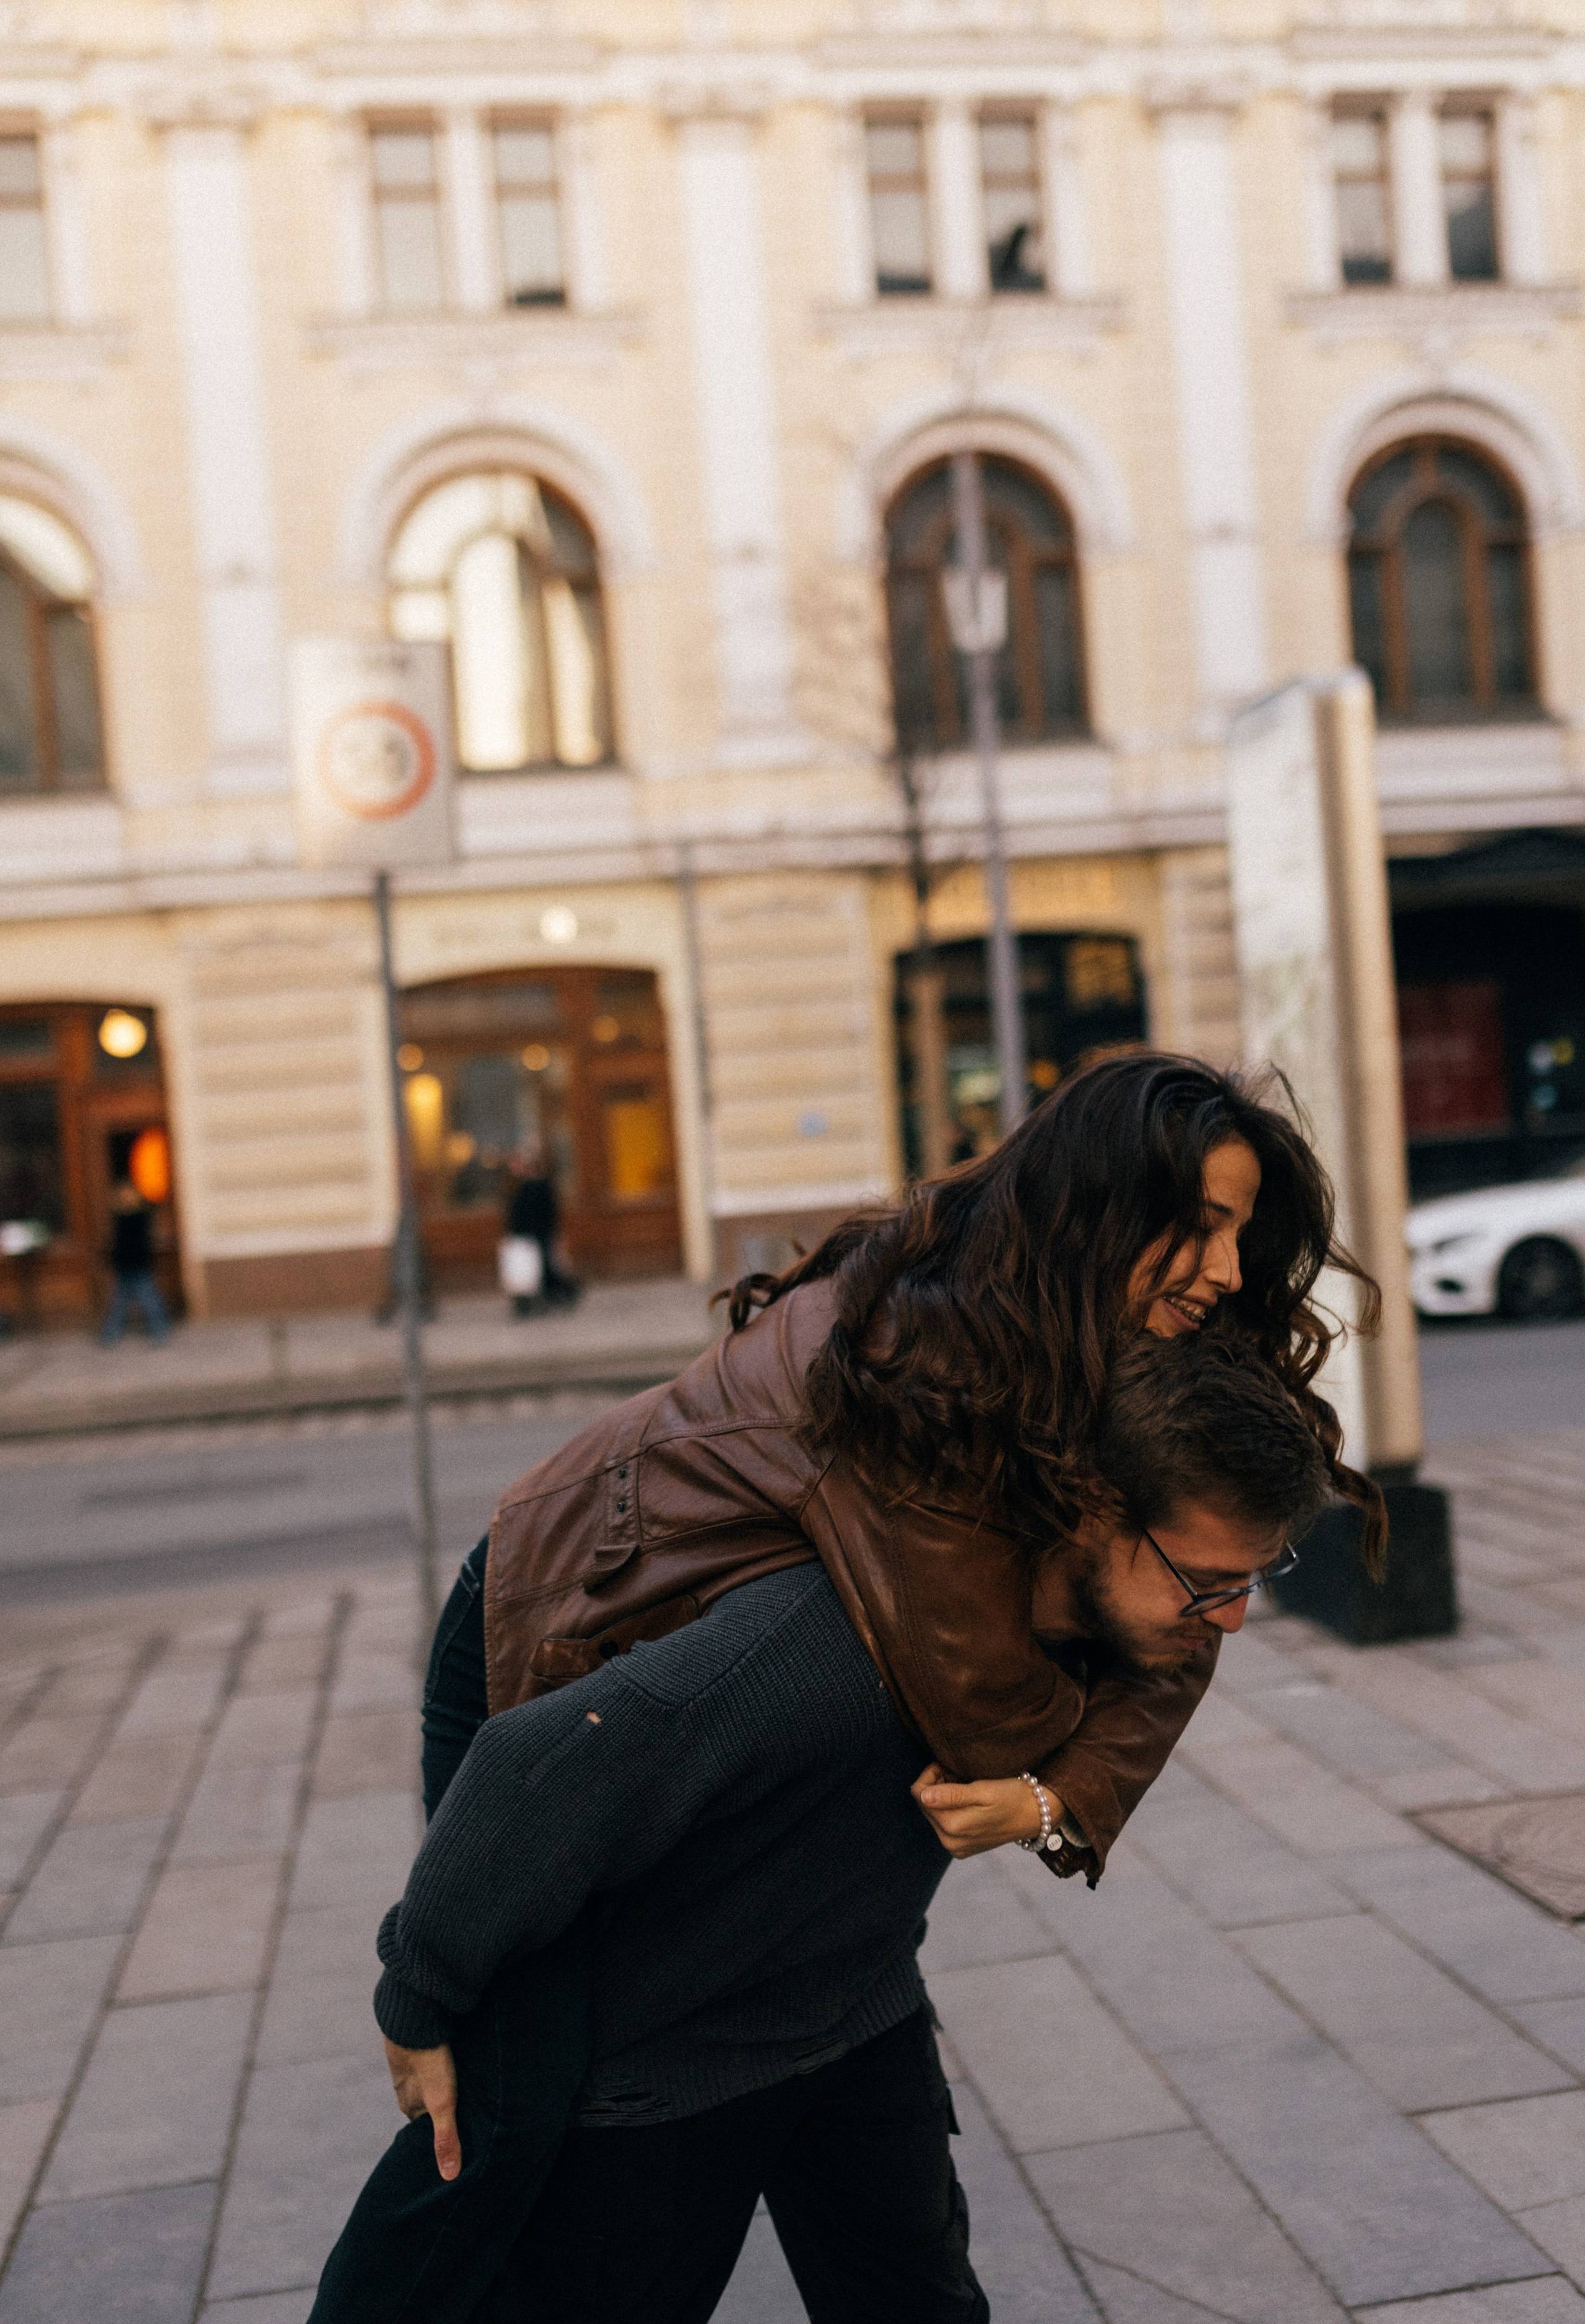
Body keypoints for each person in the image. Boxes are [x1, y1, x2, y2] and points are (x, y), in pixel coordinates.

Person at [311, 1054, 1382, 2322]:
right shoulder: (909, 1364)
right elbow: (968, 1702)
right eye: (1196, 1222)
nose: (1223, 1264)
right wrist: (417, 1986)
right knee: (519, 2046)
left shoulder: (1119, 1366)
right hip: (553, 1608)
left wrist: (1061, 1799)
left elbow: (1179, 1597)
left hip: (764, 1850)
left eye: (1240, 1229)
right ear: (1097, 1213)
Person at [504, 1142, 580, 1313]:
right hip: (528, 1235)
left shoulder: (538, 1185)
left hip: (539, 1234)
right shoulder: (521, 1185)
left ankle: (562, 1292)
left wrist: (553, 1234)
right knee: (540, 1268)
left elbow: (547, 1212)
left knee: (545, 1267)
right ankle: (553, 1295)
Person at [97, 1179, 170, 1345]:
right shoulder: (119, 1220)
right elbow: (117, 1245)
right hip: (125, 1267)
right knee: (118, 1304)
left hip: (139, 1266)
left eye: (129, 1196)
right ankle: (110, 1335)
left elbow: (142, 1244)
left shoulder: (141, 1218)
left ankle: (160, 1332)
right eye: (123, 1196)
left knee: (149, 1301)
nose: (126, 1199)